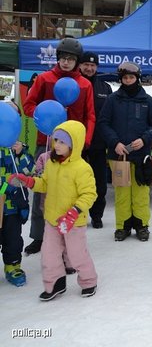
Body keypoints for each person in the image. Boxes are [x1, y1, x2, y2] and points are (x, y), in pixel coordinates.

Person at [8, 120, 98, 301]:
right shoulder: (51, 163)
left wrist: (74, 212)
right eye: (56, 140)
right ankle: (55, 284)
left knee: (76, 255)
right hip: (52, 219)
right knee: (49, 255)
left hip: (73, 222)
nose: (57, 145)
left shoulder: (82, 168)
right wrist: (28, 181)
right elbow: (45, 184)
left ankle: (89, 280)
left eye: (63, 142)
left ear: (74, 144)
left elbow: (89, 194)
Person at [22, 37, 96, 255]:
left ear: (77, 62)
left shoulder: (85, 84)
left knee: (69, 193)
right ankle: (38, 236)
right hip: (45, 144)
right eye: (62, 58)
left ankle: (67, 239)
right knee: (41, 190)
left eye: (70, 59)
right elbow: (28, 105)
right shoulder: (44, 79)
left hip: (73, 149)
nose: (65, 62)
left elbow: (90, 116)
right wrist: (45, 113)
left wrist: (86, 142)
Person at [98, 62, 152, 242]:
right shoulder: (112, 100)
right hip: (118, 155)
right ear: (121, 79)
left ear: (137, 78)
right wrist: (114, 142)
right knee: (122, 193)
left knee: (141, 192)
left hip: (141, 156)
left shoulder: (147, 100)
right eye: (125, 78)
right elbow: (103, 123)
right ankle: (123, 226)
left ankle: (142, 225)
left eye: (131, 77)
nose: (128, 81)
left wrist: (145, 139)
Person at [0, 103, 34, 286]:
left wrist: (22, 154)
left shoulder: (20, 149)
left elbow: (30, 171)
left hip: (13, 205)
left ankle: (12, 266)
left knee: (13, 239)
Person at [79, 52, 113, 229]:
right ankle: (79, 214)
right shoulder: (73, 84)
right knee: (77, 181)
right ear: (80, 65)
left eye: (93, 66)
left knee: (99, 182)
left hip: (98, 144)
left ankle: (97, 215)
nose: (89, 68)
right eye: (86, 65)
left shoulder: (105, 88)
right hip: (76, 144)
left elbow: (110, 116)